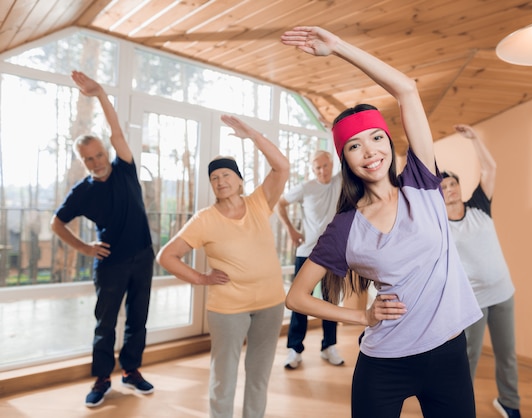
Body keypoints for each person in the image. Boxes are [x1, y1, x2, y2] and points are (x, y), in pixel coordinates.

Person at [281, 26, 483, 418]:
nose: (369, 151)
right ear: (346, 159)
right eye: (355, 145)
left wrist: (338, 48)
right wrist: (361, 316)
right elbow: (296, 298)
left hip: (447, 353)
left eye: (377, 138)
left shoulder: (422, 184)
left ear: (390, 144)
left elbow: (406, 89)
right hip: (385, 360)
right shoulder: (344, 228)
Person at [156, 114, 290, 418]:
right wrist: (202, 279)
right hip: (228, 308)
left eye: (226, 175)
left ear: (240, 180)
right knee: (223, 377)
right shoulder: (204, 219)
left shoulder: (259, 203)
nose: (220, 181)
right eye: (215, 178)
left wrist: (252, 135)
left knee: (259, 376)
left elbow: (282, 166)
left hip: (271, 304)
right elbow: (166, 256)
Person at [50, 71, 155, 407]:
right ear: (83, 162)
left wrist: (100, 95)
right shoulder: (81, 192)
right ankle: (101, 378)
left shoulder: (124, 165)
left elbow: (117, 130)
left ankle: (131, 371)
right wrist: (84, 247)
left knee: (138, 319)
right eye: (88, 159)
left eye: (98, 154)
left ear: (105, 151)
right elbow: (57, 223)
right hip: (110, 264)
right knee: (105, 325)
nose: (95, 162)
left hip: (143, 256)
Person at [441, 124, 522, 418]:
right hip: (471, 301)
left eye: (452, 184)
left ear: (459, 187)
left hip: (502, 293)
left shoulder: (479, 205)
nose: (449, 190)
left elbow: (490, 168)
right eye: (443, 187)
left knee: (507, 354)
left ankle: (510, 403)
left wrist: (475, 139)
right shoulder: (438, 225)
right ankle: (459, 409)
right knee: (468, 357)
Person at [276, 150, 344, 369]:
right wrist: (291, 230)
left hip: (332, 253)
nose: (322, 171)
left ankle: (328, 346)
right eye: (317, 168)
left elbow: (349, 156)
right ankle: (295, 349)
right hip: (307, 253)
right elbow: (280, 204)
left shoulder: (338, 181)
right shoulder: (306, 188)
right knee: (299, 302)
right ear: (312, 170)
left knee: (330, 301)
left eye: (325, 166)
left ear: (331, 165)